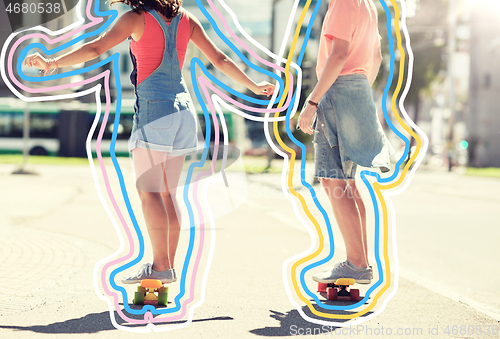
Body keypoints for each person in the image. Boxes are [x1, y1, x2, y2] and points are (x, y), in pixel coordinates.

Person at [25, 0, 275, 284]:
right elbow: (220, 60)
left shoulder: (136, 19)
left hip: (155, 111)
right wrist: (253, 86)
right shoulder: (186, 19)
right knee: (167, 194)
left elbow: (96, 49)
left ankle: (160, 267)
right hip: (184, 112)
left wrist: (52, 62)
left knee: (149, 192)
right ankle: (165, 266)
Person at [298, 0, 393, 284]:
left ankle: (356, 263)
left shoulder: (342, 3)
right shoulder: (367, 4)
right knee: (349, 182)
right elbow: (375, 57)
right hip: (359, 88)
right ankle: (360, 260)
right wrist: (359, 92)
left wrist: (312, 101)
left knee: (332, 180)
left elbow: (338, 55)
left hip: (337, 89)